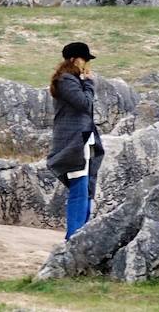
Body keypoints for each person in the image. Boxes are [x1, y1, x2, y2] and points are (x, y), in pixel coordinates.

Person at [46, 42, 105, 239]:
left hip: (83, 140)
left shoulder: (71, 80)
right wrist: (88, 83)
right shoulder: (66, 80)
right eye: (84, 59)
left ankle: (81, 234)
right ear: (74, 59)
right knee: (79, 189)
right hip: (74, 143)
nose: (87, 64)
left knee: (86, 187)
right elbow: (84, 103)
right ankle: (74, 236)